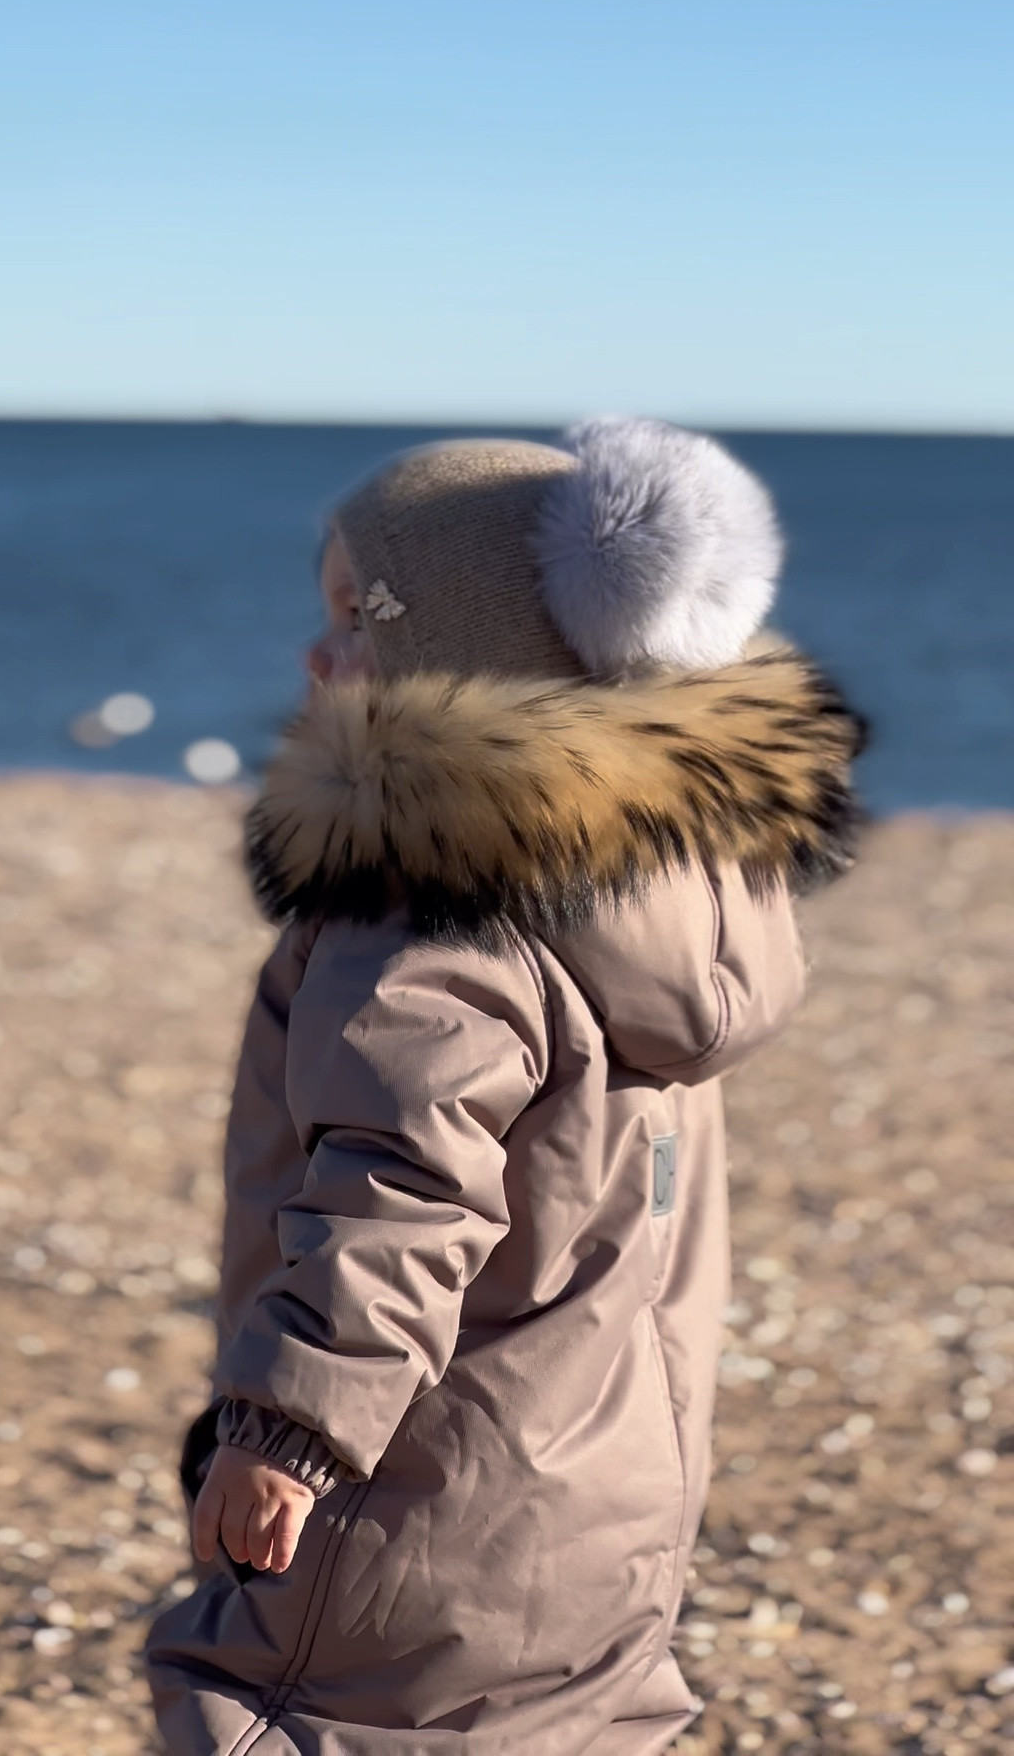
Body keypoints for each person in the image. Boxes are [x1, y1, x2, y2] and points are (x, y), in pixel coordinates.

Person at [146, 419, 865, 1755]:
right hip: (611, 1487)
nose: (316, 654)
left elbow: (401, 1181)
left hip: (416, 1482)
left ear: (464, 657)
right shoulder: (662, 889)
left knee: (292, 1710)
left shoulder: (432, 906)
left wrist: (290, 1424)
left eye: (359, 620)